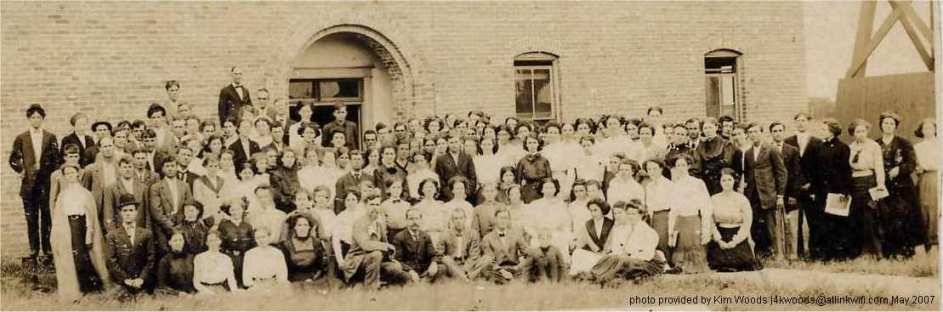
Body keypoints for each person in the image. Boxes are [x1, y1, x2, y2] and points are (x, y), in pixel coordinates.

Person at [9, 103, 60, 263]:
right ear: (29, 119)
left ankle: (47, 249)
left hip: (45, 184)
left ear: (43, 119)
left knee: (46, 217)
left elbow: (56, 159)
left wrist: (53, 175)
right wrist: (21, 170)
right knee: (31, 218)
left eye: (39, 117)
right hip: (29, 185)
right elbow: (13, 159)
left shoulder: (50, 137)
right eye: (33, 117)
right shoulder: (21, 138)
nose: (36, 120)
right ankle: (33, 249)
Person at [51, 164, 109, 301]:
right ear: (64, 177)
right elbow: (59, 215)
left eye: (73, 173)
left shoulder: (85, 193)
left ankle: (94, 284)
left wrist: (89, 231)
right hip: (69, 226)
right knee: (75, 254)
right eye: (67, 174)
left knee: (86, 254)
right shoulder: (63, 195)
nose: (71, 176)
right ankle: (79, 286)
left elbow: (90, 215)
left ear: (78, 174)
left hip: (82, 224)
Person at [341, 194, 412, 289]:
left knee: (395, 267)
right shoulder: (360, 223)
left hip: (373, 261)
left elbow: (386, 245)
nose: (374, 207)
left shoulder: (379, 224)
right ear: (366, 206)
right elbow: (365, 245)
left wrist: (390, 255)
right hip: (356, 261)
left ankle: (378, 282)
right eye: (371, 204)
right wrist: (385, 245)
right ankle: (370, 287)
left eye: (377, 204)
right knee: (376, 254)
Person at [875, 112, 921, 259]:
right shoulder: (876, 144)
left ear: (895, 127)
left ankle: (906, 251)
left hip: (902, 187)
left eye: (891, 124)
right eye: (885, 123)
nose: (888, 126)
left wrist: (899, 169)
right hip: (884, 186)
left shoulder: (904, 143)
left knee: (903, 217)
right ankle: (889, 251)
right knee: (885, 217)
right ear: (881, 125)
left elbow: (911, 163)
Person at [784, 112, 826, 259]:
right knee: (797, 221)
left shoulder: (817, 142)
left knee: (814, 220)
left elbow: (820, 167)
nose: (801, 123)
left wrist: (812, 184)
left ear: (809, 122)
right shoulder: (788, 141)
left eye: (803, 120)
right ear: (794, 123)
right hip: (795, 189)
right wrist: (795, 186)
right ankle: (799, 252)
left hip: (811, 187)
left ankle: (815, 252)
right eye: (798, 121)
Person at [590, 200, 662, 284]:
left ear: (641, 215)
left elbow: (647, 255)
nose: (630, 217)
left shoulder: (648, 232)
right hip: (633, 260)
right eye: (628, 214)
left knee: (622, 261)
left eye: (633, 214)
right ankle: (594, 274)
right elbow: (625, 248)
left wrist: (629, 256)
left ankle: (604, 278)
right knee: (610, 257)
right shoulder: (630, 229)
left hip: (649, 264)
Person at [707, 169, 760, 272]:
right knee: (718, 263)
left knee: (742, 263)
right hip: (721, 235)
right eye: (724, 180)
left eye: (729, 180)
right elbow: (710, 221)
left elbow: (747, 223)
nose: (727, 183)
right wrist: (718, 240)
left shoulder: (742, 199)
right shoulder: (714, 199)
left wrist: (735, 241)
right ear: (720, 182)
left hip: (737, 235)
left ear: (734, 181)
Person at [667, 154, 712, 274]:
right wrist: (671, 231)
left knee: (695, 248)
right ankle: (680, 267)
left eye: (683, 165)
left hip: (693, 220)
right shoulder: (675, 185)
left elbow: (706, 207)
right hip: (680, 221)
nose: (680, 168)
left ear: (689, 166)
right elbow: (673, 210)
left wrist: (706, 229)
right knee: (681, 249)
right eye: (678, 165)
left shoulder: (697, 183)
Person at [105, 194, 156, 298]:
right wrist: (125, 279)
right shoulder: (112, 235)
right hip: (122, 282)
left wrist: (141, 278)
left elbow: (151, 259)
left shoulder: (146, 234)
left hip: (142, 281)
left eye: (131, 210)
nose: (128, 213)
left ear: (136, 212)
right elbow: (111, 261)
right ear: (120, 213)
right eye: (125, 210)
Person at [848, 119, 886, 259]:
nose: (861, 134)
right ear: (853, 133)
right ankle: (860, 251)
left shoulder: (874, 146)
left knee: (870, 216)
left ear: (867, 131)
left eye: (863, 131)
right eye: (858, 131)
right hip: (854, 183)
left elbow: (879, 166)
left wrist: (880, 184)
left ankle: (877, 251)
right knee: (856, 217)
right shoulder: (850, 147)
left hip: (869, 182)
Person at [818, 119, 853, 260]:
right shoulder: (820, 146)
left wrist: (844, 190)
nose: (822, 131)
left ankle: (840, 255)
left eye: (824, 128)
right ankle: (827, 254)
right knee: (825, 222)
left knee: (838, 222)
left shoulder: (843, 147)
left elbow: (846, 171)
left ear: (832, 130)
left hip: (837, 190)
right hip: (823, 191)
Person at [149, 156, 193, 253]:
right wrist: (170, 227)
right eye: (167, 166)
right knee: (166, 254)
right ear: (163, 169)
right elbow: (156, 211)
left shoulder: (185, 186)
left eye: (172, 166)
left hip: (182, 226)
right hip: (163, 229)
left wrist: (181, 224)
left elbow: (189, 206)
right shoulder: (156, 187)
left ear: (177, 167)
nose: (170, 168)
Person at [479, 209, 534, 284]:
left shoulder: (516, 235)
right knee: (486, 266)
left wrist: (518, 267)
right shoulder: (488, 238)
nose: (503, 221)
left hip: (515, 269)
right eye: (501, 218)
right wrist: (502, 272)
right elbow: (489, 259)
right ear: (495, 219)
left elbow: (529, 253)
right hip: (497, 271)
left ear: (508, 220)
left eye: (505, 218)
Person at [392, 209, 443, 283]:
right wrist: (410, 271)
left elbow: (433, 255)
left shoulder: (425, 236)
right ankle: (422, 284)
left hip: (424, 269)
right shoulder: (399, 237)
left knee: (442, 268)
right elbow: (398, 260)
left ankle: (423, 283)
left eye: (417, 219)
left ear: (421, 220)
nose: (414, 222)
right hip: (408, 270)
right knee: (404, 276)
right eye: (411, 219)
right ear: (406, 221)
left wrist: (433, 264)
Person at [281, 213, 332, 282]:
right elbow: (286, 269)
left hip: (315, 280)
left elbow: (322, 266)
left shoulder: (316, 243)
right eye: (299, 225)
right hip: (294, 281)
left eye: (305, 225)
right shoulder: (287, 245)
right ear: (294, 227)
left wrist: (313, 278)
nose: (303, 228)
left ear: (309, 227)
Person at [217, 198, 255, 289]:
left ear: (243, 210)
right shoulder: (223, 225)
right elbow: (220, 241)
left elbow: (252, 242)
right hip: (229, 255)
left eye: (238, 209)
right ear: (229, 211)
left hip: (245, 255)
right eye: (232, 210)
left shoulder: (247, 226)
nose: (235, 212)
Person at [913, 118, 939, 253]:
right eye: (925, 128)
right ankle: (927, 242)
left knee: (936, 209)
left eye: (931, 128)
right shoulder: (918, 147)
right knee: (924, 208)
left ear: (935, 129)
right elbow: (917, 165)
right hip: (924, 178)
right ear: (921, 131)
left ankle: (936, 241)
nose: (928, 131)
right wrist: (919, 169)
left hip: (937, 177)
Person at [102, 156, 149, 229]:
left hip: (139, 229)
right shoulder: (111, 188)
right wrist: (114, 235)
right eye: (124, 167)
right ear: (119, 169)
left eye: (130, 167)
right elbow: (108, 214)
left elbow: (147, 214)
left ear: (134, 168)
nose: (127, 170)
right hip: (120, 230)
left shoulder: (143, 188)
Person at [695, 118, 736, 195]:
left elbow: (727, 161)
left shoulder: (725, 144)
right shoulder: (700, 145)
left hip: (720, 181)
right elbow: (697, 162)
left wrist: (711, 168)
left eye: (710, 127)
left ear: (716, 127)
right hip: (704, 181)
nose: (708, 130)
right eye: (705, 128)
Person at [642, 159, 673, 258]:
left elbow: (672, 204)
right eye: (649, 169)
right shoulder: (649, 186)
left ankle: (666, 261)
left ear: (661, 169)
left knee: (662, 240)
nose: (652, 172)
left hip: (665, 215)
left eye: (655, 169)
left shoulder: (668, 184)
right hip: (652, 216)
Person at [435, 134, 478, 202]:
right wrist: (451, 195)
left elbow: (473, 177)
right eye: (451, 142)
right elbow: (441, 180)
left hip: (466, 196)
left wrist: (466, 193)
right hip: (449, 196)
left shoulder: (467, 158)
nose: (454, 145)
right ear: (448, 144)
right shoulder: (441, 159)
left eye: (456, 142)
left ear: (460, 143)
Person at [441, 208, 481, 281]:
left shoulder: (472, 233)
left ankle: (463, 276)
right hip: (452, 265)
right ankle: (465, 278)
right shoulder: (445, 234)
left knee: (486, 259)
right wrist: (452, 265)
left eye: (461, 218)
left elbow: (474, 255)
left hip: (467, 263)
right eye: (456, 218)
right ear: (452, 221)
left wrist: (465, 268)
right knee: (445, 259)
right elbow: (440, 253)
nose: (459, 221)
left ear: (465, 219)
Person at [517, 135, 552, 203]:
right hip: (528, 190)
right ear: (526, 145)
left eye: (534, 142)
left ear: (538, 144)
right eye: (529, 143)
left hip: (542, 190)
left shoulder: (544, 160)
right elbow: (518, 180)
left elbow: (549, 178)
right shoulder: (522, 161)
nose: (532, 145)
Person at [193, 156, 227, 227]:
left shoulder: (222, 181)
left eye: (216, 166)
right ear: (205, 167)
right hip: (206, 214)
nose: (213, 169)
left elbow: (225, 197)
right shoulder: (199, 181)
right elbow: (198, 199)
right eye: (210, 166)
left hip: (221, 214)